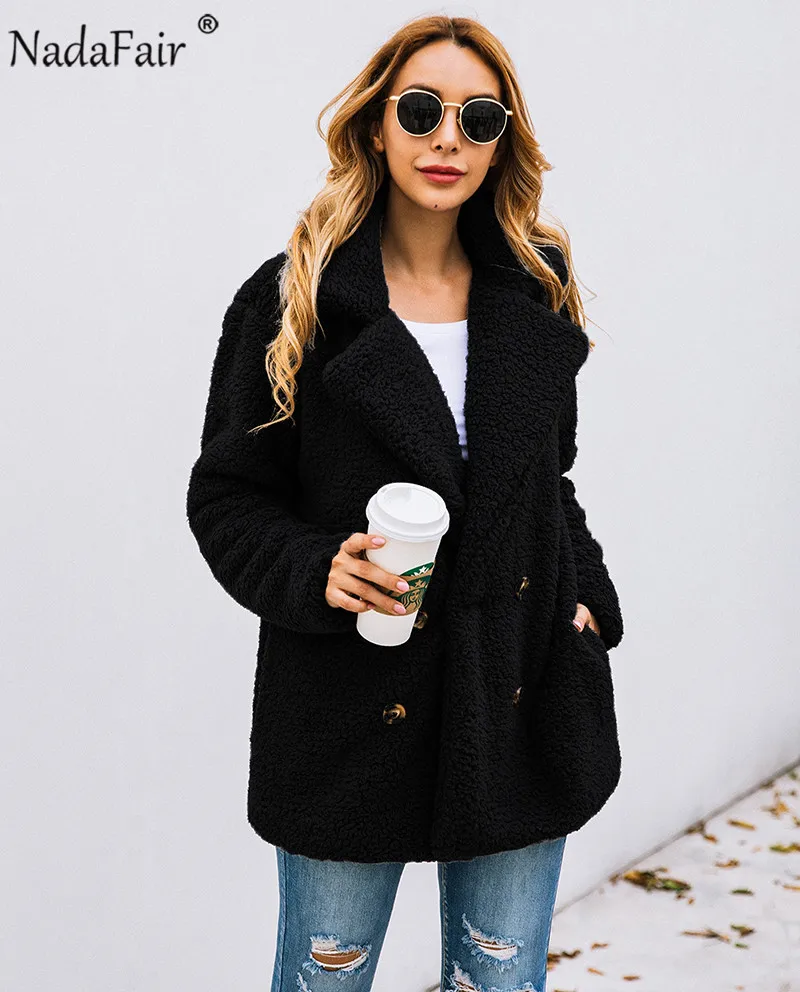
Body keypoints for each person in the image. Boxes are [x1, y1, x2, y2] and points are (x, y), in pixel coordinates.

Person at [186, 14, 624, 992]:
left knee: (497, 979)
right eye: (420, 110)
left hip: (516, 696)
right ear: (377, 124)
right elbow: (228, 495)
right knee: (325, 979)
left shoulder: (534, 289)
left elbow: (547, 482)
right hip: (347, 713)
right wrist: (318, 570)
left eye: (478, 119)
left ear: (502, 141)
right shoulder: (295, 298)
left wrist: (585, 605)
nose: (446, 139)